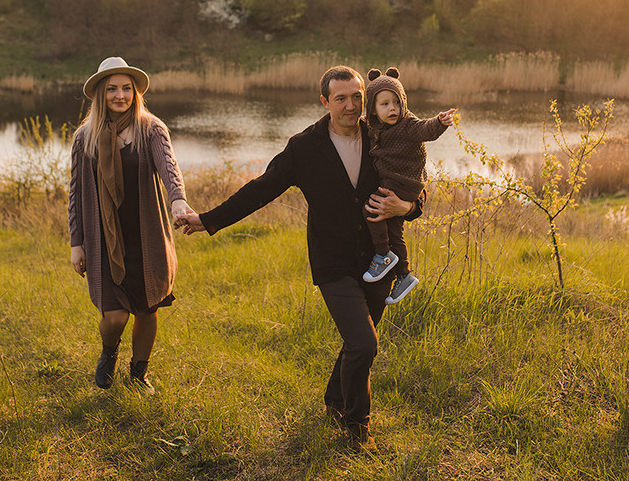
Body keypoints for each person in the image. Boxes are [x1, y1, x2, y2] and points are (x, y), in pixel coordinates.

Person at [174, 65, 422, 451]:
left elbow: (414, 186)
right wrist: (208, 221)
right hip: (332, 261)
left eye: (357, 96)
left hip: (379, 260)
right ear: (325, 102)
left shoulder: (382, 136)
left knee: (359, 339)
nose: (351, 105)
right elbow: (261, 189)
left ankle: (335, 401)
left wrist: (404, 206)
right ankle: (358, 426)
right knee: (365, 343)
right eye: (341, 98)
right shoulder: (305, 147)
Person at [68, 56, 194, 394]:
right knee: (114, 317)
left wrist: (178, 198)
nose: (120, 95)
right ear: (100, 94)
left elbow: (168, 165)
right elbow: (76, 193)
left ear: (135, 93)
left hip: (145, 235)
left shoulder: (150, 128)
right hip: (103, 239)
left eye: (126, 88)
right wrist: (76, 243)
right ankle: (109, 352)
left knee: (146, 309)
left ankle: (139, 374)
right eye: (112, 89)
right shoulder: (85, 137)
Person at [360, 67, 456, 305]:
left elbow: (426, 128)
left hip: (404, 182)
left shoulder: (406, 124)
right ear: (372, 108)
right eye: (384, 104)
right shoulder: (373, 128)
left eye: (396, 102)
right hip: (397, 181)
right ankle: (403, 274)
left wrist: (440, 121)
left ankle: (383, 255)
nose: (392, 108)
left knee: (371, 209)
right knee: (394, 230)